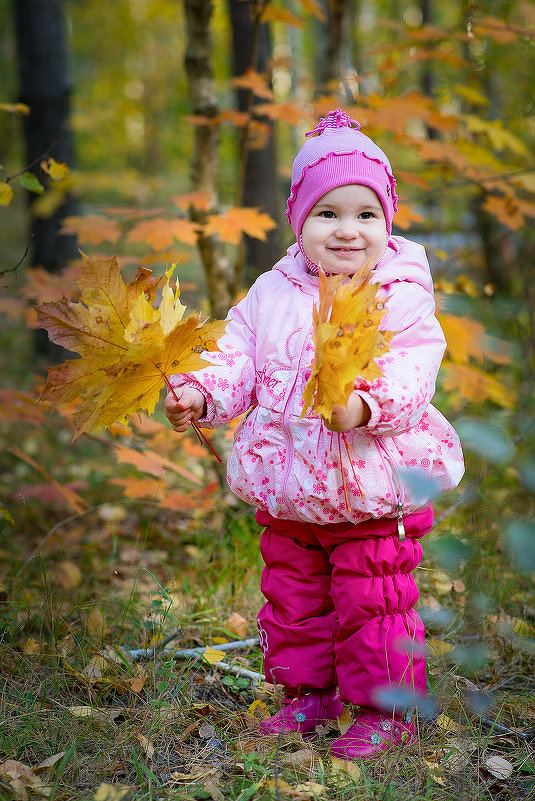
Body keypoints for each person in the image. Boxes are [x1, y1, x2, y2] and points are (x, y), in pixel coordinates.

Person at [164, 109, 464, 761]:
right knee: (293, 600)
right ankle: (309, 692)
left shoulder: (399, 291)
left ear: (386, 218)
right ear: (299, 219)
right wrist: (200, 391)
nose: (348, 230)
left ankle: (386, 707)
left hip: (369, 491)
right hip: (291, 489)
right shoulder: (271, 292)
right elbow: (234, 355)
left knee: (372, 603)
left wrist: (364, 405)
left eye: (365, 213)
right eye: (328, 213)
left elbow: (413, 367)